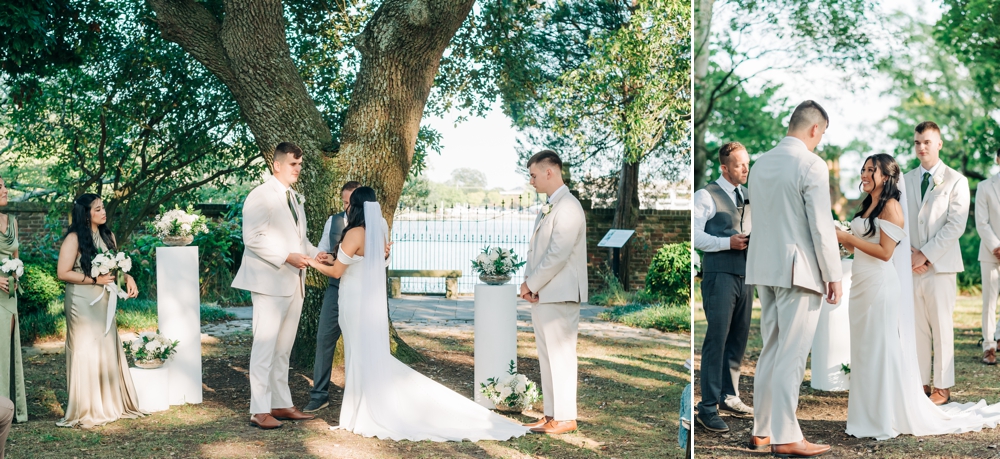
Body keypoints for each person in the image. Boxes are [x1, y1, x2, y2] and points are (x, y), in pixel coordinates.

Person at [306, 187, 528, 441]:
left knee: (358, 353)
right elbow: (366, 263)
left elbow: (337, 272)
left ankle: (363, 412)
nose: (345, 207)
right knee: (361, 354)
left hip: (352, 301)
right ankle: (359, 410)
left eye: (348, 204)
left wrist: (312, 262)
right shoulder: (376, 231)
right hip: (363, 301)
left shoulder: (355, 232)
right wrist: (329, 259)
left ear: (354, 207)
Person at [836, 153, 1000, 440]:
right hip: (860, 286)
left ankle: (885, 415)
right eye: (863, 169)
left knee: (881, 348)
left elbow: (886, 253)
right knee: (863, 349)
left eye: (870, 170)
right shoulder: (867, 204)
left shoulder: (892, 207)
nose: (863, 174)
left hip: (879, 286)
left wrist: (848, 238)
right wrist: (845, 243)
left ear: (885, 176)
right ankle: (866, 413)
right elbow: (863, 245)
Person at [745, 100, 842, 458]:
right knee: (792, 353)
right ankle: (786, 435)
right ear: (815, 129)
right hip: (799, 271)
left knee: (771, 349)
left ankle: (762, 430)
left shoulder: (759, 163)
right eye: (822, 134)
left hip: (763, 269)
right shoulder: (810, 164)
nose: (820, 141)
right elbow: (820, 226)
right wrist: (833, 275)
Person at [231, 142, 326, 429]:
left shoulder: (294, 198)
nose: (298, 168)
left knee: (283, 349)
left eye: (300, 164)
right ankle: (259, 410)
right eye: (293, 164)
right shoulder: (261, 195)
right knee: (264, 347)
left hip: (294, 282)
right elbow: (253, 237)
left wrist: (314, 253)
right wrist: (287, 257)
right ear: (277, 165)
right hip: (269, 282)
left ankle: (281, 404)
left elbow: (299, 240)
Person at [55, 194, 143, 428]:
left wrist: (127, 275)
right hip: (82, 301)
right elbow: (63, 273)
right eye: (97, 209)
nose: (103, 212)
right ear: (86, 214)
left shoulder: (108, 235)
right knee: (86, 347)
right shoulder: (74, 238)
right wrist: (95, 280)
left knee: (105, 345)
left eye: (103, 208)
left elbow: (117, 261)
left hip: (104, 298)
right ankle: (87, 406)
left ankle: (109, 403)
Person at [519, 150, 588, 435]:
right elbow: (539, 251)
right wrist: (531, 286)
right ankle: (551, 414)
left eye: (534, 175)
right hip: (545, 294)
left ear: (550, 171)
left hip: (560, 294)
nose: (531, 181)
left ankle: (566, 417)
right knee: (547, 357)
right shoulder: (551, 205)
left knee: (561, 356)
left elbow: (557, 254)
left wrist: (531, 284)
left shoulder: (569, 207)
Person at [902, 121, 969, 405]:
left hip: (940, 266)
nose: (921, 147)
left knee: (941, 326)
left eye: (927, 142)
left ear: (939, 144)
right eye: (917, 142)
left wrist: (925, 254)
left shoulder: (956, 180)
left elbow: (956, 225)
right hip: (910, 265)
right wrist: (909, 254)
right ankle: (922, 384)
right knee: (917, 327)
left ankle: (943, 386)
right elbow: (899, 221)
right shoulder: (903, 180)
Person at [693, 142, 754, 434]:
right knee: (716, 341)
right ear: (724, 167)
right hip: (719, 276)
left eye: (747, 163)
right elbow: (695, 236)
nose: (745, 168)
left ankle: (729, 396)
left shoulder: (746, 195)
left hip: (745, 275)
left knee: (738, 339)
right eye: (740, 164)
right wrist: (725, 243)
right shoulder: (705, 195)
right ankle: (707, 408)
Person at [304, 181, 361, 413]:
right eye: (344, 202)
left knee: (358, 342)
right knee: (324, 338)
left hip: (359, 292)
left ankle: (359, 394)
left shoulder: (374, 225)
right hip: (335, 288)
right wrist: (323, 258)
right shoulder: (333, 221)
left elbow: (382, 260)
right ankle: (319, 394)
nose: (347, 207)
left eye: (351, 203)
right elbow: (323, 251)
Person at [0, 178, 26, 423]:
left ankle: (6, 407)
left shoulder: (13, 223)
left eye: (4, 185)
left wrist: (17, 273)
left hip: (9, 294)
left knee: (6, 347)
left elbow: (16, 257)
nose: (5, 189)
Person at [975, 148, 1000, 365]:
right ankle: (988, 346)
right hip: (991, 254)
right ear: (998, 158)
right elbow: (981, 222)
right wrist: (996, 247)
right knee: (989, 302)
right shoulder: (984, 187)